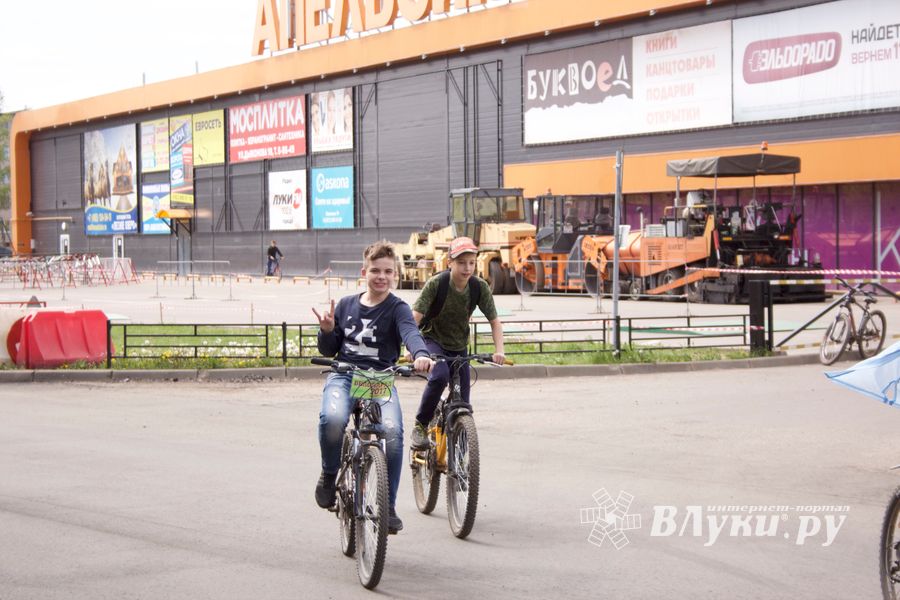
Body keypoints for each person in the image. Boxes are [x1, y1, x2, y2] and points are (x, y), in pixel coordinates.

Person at [312, 240, 434, 534]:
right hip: (344, 373)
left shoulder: (398, 308)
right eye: (375, 270)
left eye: (388, 272)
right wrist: (327, 331)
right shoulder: (345, 305)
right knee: (333, 419)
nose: (382, 277)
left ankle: (387, 505)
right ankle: (329, 475)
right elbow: (329, 350)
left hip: (377, 379)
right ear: (363, 271)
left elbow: (410, 333)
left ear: (395, 275)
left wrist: (421, 354)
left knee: (392, 432)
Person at [408, 236, 505, 449]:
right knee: (440, 376)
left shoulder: (479, 287)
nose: (467, 268)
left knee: (464, 402)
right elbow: (413, 318)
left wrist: (500, 351)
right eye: (461, 262)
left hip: (459, 346)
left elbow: (495, 322)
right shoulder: (437, 284)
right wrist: (413, 350)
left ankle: (461, 458)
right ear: (449, 262)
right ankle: (420, 425)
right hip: (433, 341)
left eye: (471, 262)